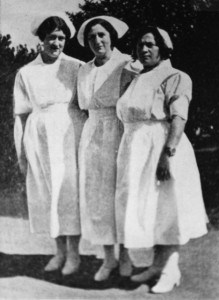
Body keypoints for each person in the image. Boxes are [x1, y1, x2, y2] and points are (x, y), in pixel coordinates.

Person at [115, 26, 208, 293]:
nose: (144, 50)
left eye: (150, 45)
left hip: (162, 146)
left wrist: (167, 155)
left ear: (163, 48)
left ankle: (171, 269)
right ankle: (157, 265)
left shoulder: (176, 76)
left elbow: (179, 117)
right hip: (135, 149)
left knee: (167, 207)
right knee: (148, 208)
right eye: (140, 45)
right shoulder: (135, 77)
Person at [13, 12, 87, 275]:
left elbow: (89, 105)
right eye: (52, 38)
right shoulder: (26, 73)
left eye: (61, 38)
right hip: (39, 138)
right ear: (41, 40)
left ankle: (74, 255)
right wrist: (21, 153)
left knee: (69, 192)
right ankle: (59, 252)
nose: (57, 43)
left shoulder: (77, 67)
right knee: (47, 193)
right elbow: (20, 116)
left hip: (70, 135)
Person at [77, 16, 140, 281]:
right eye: (92, 37)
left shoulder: (126, 63)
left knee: (121, 192)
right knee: (97, 195)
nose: (97, 41)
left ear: (112, 36)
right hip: (92, 132)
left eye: (102, 35)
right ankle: (109, 257)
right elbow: (83, 105)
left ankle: (125, 254)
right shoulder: (84, 69)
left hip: (118, 129)